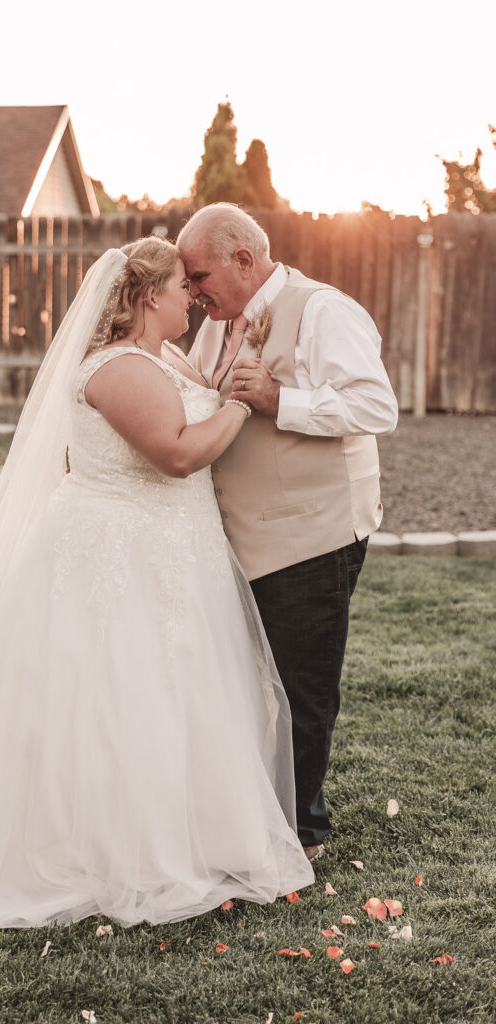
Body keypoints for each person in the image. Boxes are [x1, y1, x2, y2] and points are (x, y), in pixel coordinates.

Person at [0, 238, 313, 937]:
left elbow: (185, 403)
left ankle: (185, 824)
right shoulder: (115, 369)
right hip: (118, 547)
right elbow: (175, 454)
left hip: (170, 545)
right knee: (106, 693)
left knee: (172, 691)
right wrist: (237, 406)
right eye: (181, 287)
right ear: (148, 297)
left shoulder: (162, 357)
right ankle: (92, 839)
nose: (191, 297)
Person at [178, 205, 398, 859]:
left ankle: (301, 833)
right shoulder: (214, 326)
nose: (192, 292)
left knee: (299, 684)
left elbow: (375, 404)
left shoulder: (324, 310)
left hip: (311, 532)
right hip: (237, 532)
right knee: (247, 680)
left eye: (198, 276)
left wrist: (282, 400)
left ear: (243, 259)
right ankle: (250, 811)